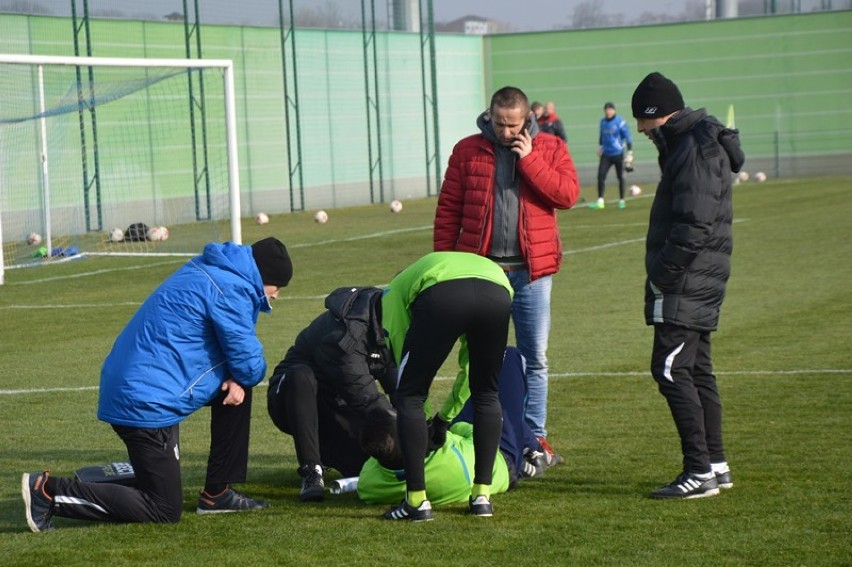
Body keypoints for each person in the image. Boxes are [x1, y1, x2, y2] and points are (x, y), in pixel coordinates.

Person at [21, 237, 293, 531]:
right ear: (263, 277)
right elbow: (250, 364)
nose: (275, 296)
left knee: (237, 389)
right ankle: (48, 492)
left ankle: (218, 494)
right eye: (276, 288)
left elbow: (239, 364)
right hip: (146, 400)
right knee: (164, 507)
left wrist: (237, 378)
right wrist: (240, 376)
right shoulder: (231, 289)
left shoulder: (214, 270)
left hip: (140, 385)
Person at [433, 85, 580, 464]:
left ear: (527, 119)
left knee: (535, 357)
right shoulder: (467, 150)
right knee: (481, 356)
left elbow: (566, 195)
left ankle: (537, 438)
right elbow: (448, 210)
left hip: (532, 273)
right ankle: (476, 431)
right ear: (490, 115)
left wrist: (530, 161)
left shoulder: (550, 148)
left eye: (513, 125)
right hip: (482, 273)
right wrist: (445, 265)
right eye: (499, 124)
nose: (506, 132)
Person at [631, 72, 744, 499]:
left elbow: (694, 224)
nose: (644, 134)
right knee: (696, 371)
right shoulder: (691, 141)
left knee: (670, 370)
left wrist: (663, 274)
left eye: (647, 126)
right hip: (699, 279)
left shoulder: (694, 148)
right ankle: (715, 465)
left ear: (662, 115)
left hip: (685, 281)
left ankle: (698, 471)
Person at [380, 251, 513, 521]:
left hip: (444, 294)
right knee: (487, 393)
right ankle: (481, 498)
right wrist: (445, 417)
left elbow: (398, 347)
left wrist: (427, 418)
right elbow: (469, 369)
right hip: (498, 290)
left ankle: (416, 502)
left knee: (409, 396)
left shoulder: (394, 291)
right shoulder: (428, 270)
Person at [358, 347, 550, 507]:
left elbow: (381, 452)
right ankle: (531, 451)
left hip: (463, 454)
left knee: (481, 398)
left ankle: (533, 447)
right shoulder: (448, 457)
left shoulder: (369, 485)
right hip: (501, 456)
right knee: (506, 358)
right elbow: (474, 432)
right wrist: (449, 427)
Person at [266, 286, 395, 502]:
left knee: (371, 466)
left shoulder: (388, 324)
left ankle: (325, 453)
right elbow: (367, 401)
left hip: (337, 405)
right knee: (301, 375)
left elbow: (398, 390)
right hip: (290, 399)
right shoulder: (345, 332)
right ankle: (311, 470)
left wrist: (419, 436)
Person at [591, 102, 634, 210]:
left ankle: (621, 200)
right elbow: (601, 136)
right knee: (601, 175)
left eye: (610, 109)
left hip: (618, 154)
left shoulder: (620, 121)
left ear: (614, 110)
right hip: (606, 154)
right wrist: (600, 147)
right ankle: (600, 201)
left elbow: (627, 137)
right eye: (606, 110)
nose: (608, 111)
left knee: (621, 177)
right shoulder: (603, 122)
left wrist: (630, 152)